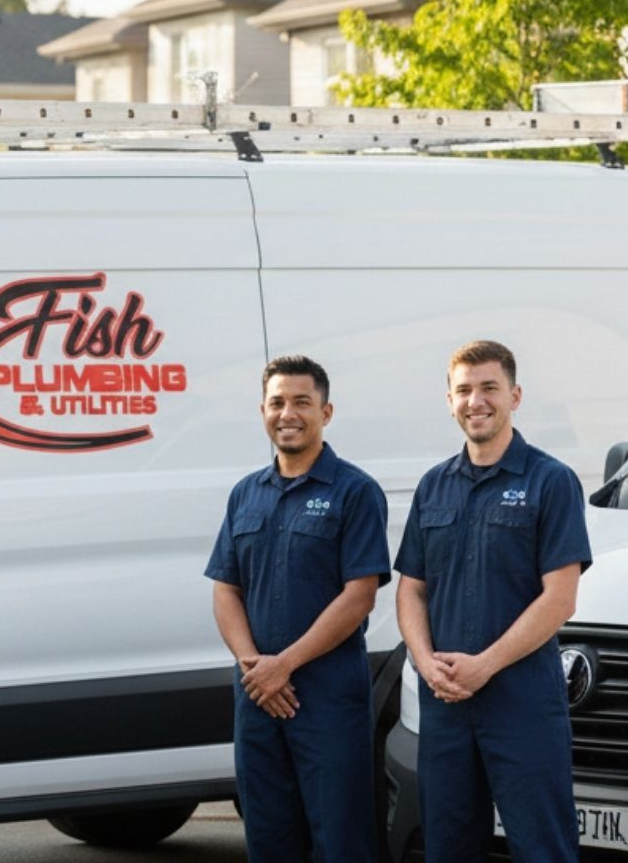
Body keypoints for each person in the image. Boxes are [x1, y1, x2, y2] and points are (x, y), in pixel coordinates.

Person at [394, 340, 591, 862]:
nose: (475, 401)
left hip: (521, 701)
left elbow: (560, 599)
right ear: (449, 399)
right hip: (447, 703)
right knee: (448, 845)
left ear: (515, 395)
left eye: (488, 388)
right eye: (463, 390)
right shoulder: (433, 486)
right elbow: (411, 587)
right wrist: (423, 663)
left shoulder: (551, 482)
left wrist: (485, 666)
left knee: (541, 845)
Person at [205, 355, 390, 862]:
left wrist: (282, 666)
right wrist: (254, 667)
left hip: (327, 697)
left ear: (326, 413)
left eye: (302, 402)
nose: (288, 413)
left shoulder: (355, 492)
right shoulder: (246, 495)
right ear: (263, 411)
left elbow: (360, 595)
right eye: (277, 402)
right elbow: (225, 589)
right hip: (257, 699)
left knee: (340, 838)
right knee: (268, 837)